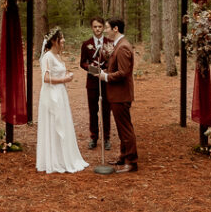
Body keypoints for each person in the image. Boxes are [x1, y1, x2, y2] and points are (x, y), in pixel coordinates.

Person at [36, 28, 89, 174]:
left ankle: (62, 155)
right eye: (62, 37)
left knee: (62, 123)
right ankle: (54, 159)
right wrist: (64, 79)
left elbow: (58, 72)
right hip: (51, 94)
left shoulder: (58, 56)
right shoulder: (47, 57)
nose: (64, 40)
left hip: (60, 93)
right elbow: (46, 78)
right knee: (54, 123)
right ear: (54, 41)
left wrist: (67, 75)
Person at [93, 17, 138, 173]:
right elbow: (117, 68)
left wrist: (105, 77)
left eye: (107, 28)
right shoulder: (118, 45)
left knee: (125, 129)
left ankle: (131, 162)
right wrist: (104, 71)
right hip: (117, 94)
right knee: (121, 127)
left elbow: (123, 72)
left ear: (115, 28)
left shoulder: (123, 47)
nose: (105, 31)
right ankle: (123, 156)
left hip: (121, 94)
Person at [79, 17, 111, 150]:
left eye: (100, 26)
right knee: (93, 110)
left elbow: (113, 60)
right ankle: (93, 137)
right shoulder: (86, 44)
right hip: (92, 81)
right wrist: (93, 70)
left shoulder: (110, 42)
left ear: (103, 27)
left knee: (106, 110)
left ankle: (107, 138)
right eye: (95, 27)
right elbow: (82, 63)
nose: (97, 29)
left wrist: (106, 70)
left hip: (106, 81)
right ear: (92, 28)